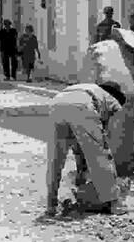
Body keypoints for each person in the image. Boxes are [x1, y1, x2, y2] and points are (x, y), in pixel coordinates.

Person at [46, 81, 127, 216]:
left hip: (56, 103)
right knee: (99, 154)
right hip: (82, 105)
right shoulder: (112, 100)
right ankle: (114, 203)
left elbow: (78, 145)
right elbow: (111, 133)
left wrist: (81, 171)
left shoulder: (91, 88)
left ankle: (51, 205)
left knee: (55, 157)